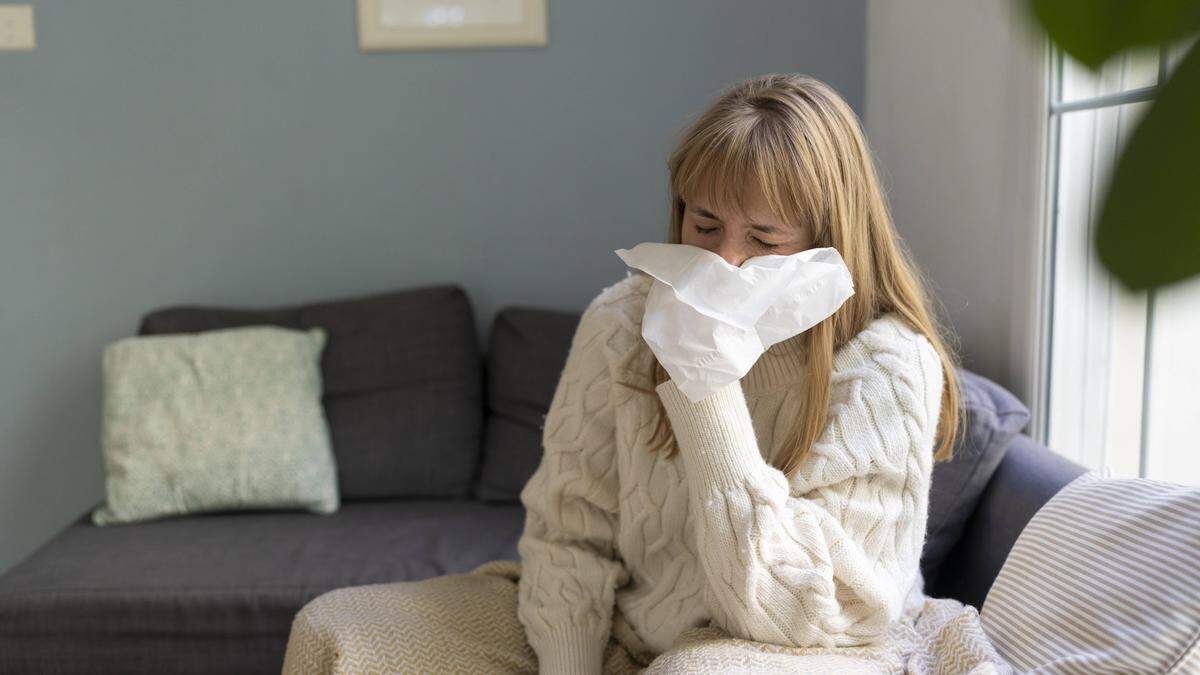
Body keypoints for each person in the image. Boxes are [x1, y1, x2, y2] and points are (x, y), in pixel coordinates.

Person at [282, 72, 1013, 674]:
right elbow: (570, 531)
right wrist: (567, 665)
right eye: (703, 225)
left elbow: (795, 614)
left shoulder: (885, 363)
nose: (724, 262)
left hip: (814, 644)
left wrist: (707, 385)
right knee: (339, 631)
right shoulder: (623, 320)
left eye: (763, 238)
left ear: (827, 238)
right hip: (634, 627)